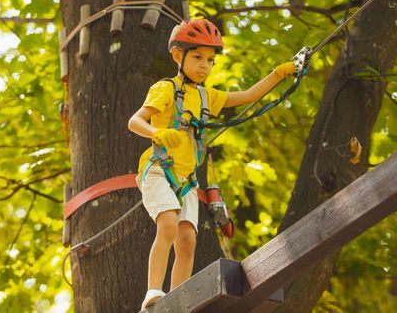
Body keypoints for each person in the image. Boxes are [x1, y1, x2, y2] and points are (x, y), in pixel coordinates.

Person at [127, 19, 296, 309]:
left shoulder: (207, 95)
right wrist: (158, 133)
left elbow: (248, 97)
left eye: (210, 60)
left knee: (188, 240)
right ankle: (153, 292)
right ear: (178, 56)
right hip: (159, 170)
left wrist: (278, 74)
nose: (204, 65)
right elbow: (135, 121)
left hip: (186, 179)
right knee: (167, 223)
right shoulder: (166, 89)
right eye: (197, 57)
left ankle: (176, 300)